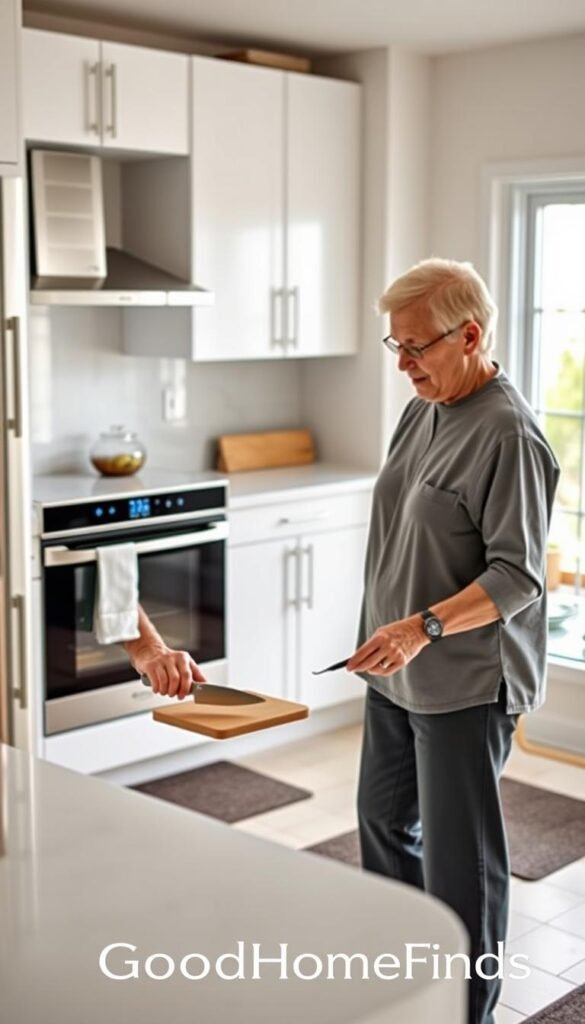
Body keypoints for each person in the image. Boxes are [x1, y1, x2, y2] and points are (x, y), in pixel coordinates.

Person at [346, 258, 560, 1024]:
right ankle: (409, 975)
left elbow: (517, 578)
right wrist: (390, 632)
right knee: (379, 823)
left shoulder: (508, 434)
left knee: (460, 864)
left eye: (416, 348)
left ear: (468, 335)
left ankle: (466, 1007)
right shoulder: (424, 407)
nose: (402, 365)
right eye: (393, 346)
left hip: (463, 681)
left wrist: (425, 625)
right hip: (393, 669)